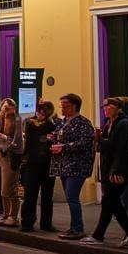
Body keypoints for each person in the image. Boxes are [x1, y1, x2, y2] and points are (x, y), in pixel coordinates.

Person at [82, 97, 128, 247]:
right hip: (109, 168)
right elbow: (106, 146)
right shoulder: (110, 124)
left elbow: (122, 149)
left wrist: (117, 170)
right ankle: (102, 234)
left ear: (116, 107)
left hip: (119, 169)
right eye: (104, 107)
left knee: (110, 201)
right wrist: (100, 139)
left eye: (107, 107)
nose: (105, 110)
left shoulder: (123, 125)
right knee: (110, 203)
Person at [50, 93, 96, 239]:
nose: (62, 109)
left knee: (72, 196)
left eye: (66, 106)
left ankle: (78, 228)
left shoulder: (83, 123)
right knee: (70, 197)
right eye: (62, 106)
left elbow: (85, 143)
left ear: (74, 106)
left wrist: (63, 147)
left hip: (77, 165)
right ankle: (73, 226)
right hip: (64, 165)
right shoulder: (63, 122)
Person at [20, 100, 57, 232]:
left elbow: (53, 140)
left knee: (47, 196)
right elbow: (29, 143)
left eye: (44, 112)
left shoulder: (52, 124)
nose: (41, 114)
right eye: (40, 110)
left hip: (47, 163)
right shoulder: (30, 123)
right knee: (30, 194)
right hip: (32, 163)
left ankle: (46, 224)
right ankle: (27, 222)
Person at [0, 98, 24, 226]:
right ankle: (6, 214)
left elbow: (17, 142)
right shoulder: (0, 119)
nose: (5, 110)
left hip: (12, 157)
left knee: (10, 189)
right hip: (2, 156)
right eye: (4, 107)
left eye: (8, 108)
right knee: (3, 189)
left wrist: (0, 137)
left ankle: (13, 216)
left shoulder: (17, 120)